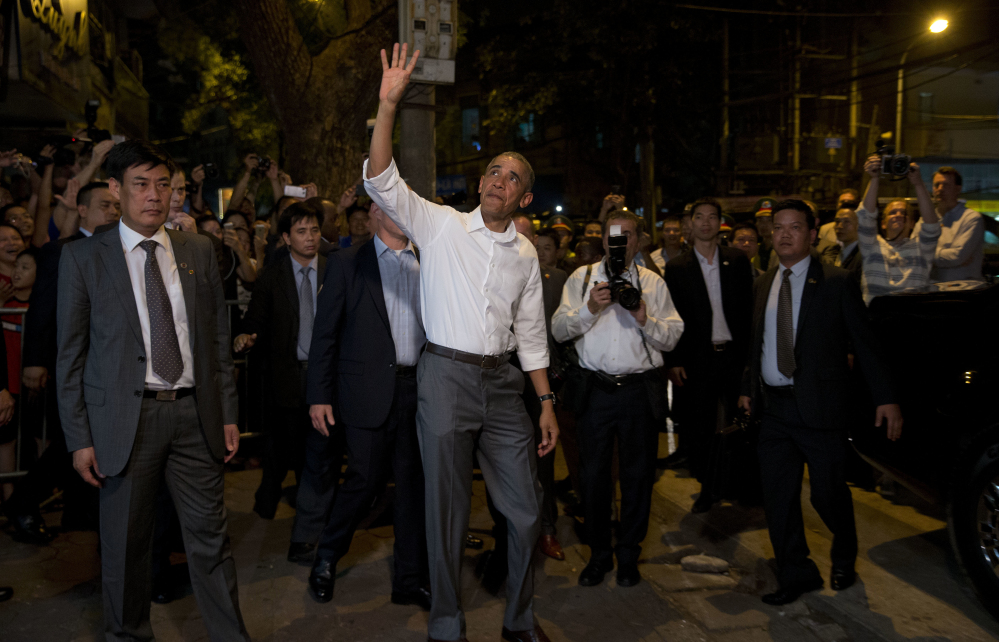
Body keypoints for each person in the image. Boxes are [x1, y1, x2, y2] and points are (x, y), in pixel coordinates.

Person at [367, 43, 558, 642]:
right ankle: (446, 623)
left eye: (513, 177)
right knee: (445, 513)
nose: (500, 180)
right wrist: (388, 105)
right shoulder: (441, 223)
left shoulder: (526, 253)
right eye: (494, 171)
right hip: (445, 378)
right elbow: (381, 181)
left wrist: (546, 400)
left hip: (503, 386)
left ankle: (518, 618)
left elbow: (530, 332)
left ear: (525, 198)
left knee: (526, 512)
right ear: (482, 182)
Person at [56, 140, 249, 641]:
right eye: (141, 184)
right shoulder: (83, 259)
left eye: (163, 184)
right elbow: (70, 356)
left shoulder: (197, 250)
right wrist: (79, 438)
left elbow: (215, 340)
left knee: (211, 541)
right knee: (125, 547)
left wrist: (227, 412)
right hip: (125, 422)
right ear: (117, 191)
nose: (155, 195)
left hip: (194, 416)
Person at [737, 199, 901, 606]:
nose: (785, 234)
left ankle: (844, 555)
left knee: (827, 495)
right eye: (778, 227)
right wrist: (746, 388)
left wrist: (886, 398)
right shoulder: (762, 283)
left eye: (795, 227)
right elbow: (753, 345)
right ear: (769, 234)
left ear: (812, 234)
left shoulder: (836, 281)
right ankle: (797, 573)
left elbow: (865, 344)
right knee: (778, 499)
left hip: (820, 409)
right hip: (773, 411)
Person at [304, 199, 430, 610]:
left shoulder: (428, 259)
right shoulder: (346, 262)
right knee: (364, 480)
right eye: (393, 205)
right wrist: (319, 396)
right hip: (364, 392)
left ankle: (410, 580)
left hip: (419, 389)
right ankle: (326, 556)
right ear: (375, 214)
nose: (403, 212)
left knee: (413, 487)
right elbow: (325, 336)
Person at [552, 209, 683, 589]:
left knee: (638, 478)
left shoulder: (653, 284)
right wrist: (590, 308)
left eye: (627, 235)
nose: (619, 243)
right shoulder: (581, 279)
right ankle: (598, 554)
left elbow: (673, 337)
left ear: (639, 241)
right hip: (595, 391)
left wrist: (644, 317)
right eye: (613, 236)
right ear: (603, 240)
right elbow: (559, 330)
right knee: (593, 479)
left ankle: (629, 555)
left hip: (639, 392)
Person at [234, 202, 325, 523]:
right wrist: (246, 336)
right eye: (301, 231)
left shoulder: (333, 270)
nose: (310, 237)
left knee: (316, 449)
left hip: (322, 378)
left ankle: (309, 510)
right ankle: (269, 504)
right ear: (286, 237)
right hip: (285, 375)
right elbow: (255, 317)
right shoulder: (272, 276)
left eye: (314, 229)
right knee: (281, 445)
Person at [662, 199, 752, 513]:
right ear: (691, 224)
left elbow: (748, 312)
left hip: (734, 356)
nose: (705, 223)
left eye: (712, 217)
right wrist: (673, 360)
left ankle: (743, 486)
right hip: (697, 359)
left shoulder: (737, 260)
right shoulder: (677, 267)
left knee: (744, 423)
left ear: (719, 223)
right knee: (699, 427)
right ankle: (708, 488)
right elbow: (670, 316)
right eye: (699, 217)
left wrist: (750, 360)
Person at [856, 156, 940, 304]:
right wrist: (875, 178)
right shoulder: (872, 246)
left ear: (912, 223)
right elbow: (865, 217)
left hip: (911, 321)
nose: (898, 215)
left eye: (904, 212)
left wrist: (918, 183)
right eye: (892, 212)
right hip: (876, 321)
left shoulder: (921, 249)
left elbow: (931, 224)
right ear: (883, 223)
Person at [915, 166, 984, 282]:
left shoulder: (971, 218)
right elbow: (913, 252)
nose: (940, 189)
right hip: (931, 291)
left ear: (958, 189)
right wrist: (948, 256)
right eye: (937, 185)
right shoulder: (925, 220)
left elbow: (956, 257)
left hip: (963, 293)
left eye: (946, 185)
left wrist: (926, 253)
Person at [822, 208, 863, 285]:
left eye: (847, 222)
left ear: (859, 225)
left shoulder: (863, 255)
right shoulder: (834, 250)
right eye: (837, 221)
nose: (840, 226)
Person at [754, 198, 775, 272]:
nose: (764, 225)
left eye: (769, 220)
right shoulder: (756, 249)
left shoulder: (781, 249)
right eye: (760, 220)